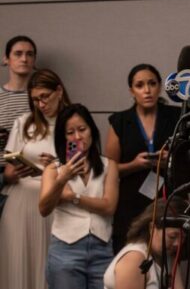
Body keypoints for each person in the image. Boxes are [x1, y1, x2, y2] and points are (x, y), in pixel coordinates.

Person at [0, 68, 71, 289]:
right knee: (18, 263)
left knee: (50, 266)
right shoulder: (25, 122)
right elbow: (10, 159)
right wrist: (9, 173)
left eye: (44, 97)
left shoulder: (74, 122)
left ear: (59, 91)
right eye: (35, 99)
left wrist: (54, 166)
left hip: (55, 201)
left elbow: (83, 166)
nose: (40, 104)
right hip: (20, 202)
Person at [39, 103, 118, 289]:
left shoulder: (109, 165)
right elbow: (44, 208)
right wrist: (62, 179)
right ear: (63, 137)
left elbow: (109, 206)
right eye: (70, 133)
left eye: (82, 129)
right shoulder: (53, 169)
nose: (77, 137)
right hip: (65, 251)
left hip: (102, 250)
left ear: (92, 130)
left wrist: (73, 197)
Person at [105, 64, 181, 254]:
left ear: (160, 86)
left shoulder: (177, 117)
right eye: (140, 85)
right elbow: (109, 169)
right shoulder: (120, 121)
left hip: (167, 197)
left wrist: (170, 161)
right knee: (133, 257)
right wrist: (134, 165)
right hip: (130, 201)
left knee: (169, 260)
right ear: (132, 91)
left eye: (152, 84)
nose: (147, 90)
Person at [103, 198, 186, 289]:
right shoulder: (135, 259)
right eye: (172, 237)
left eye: (183, 238)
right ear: (152, 227)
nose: (177, 243)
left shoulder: (169, 256)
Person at [0, 35, 37, 186]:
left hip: (32, 175)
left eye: (30, 54)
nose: (24, 59)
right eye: (18, 53)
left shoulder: (42, 98)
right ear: (6, 59)